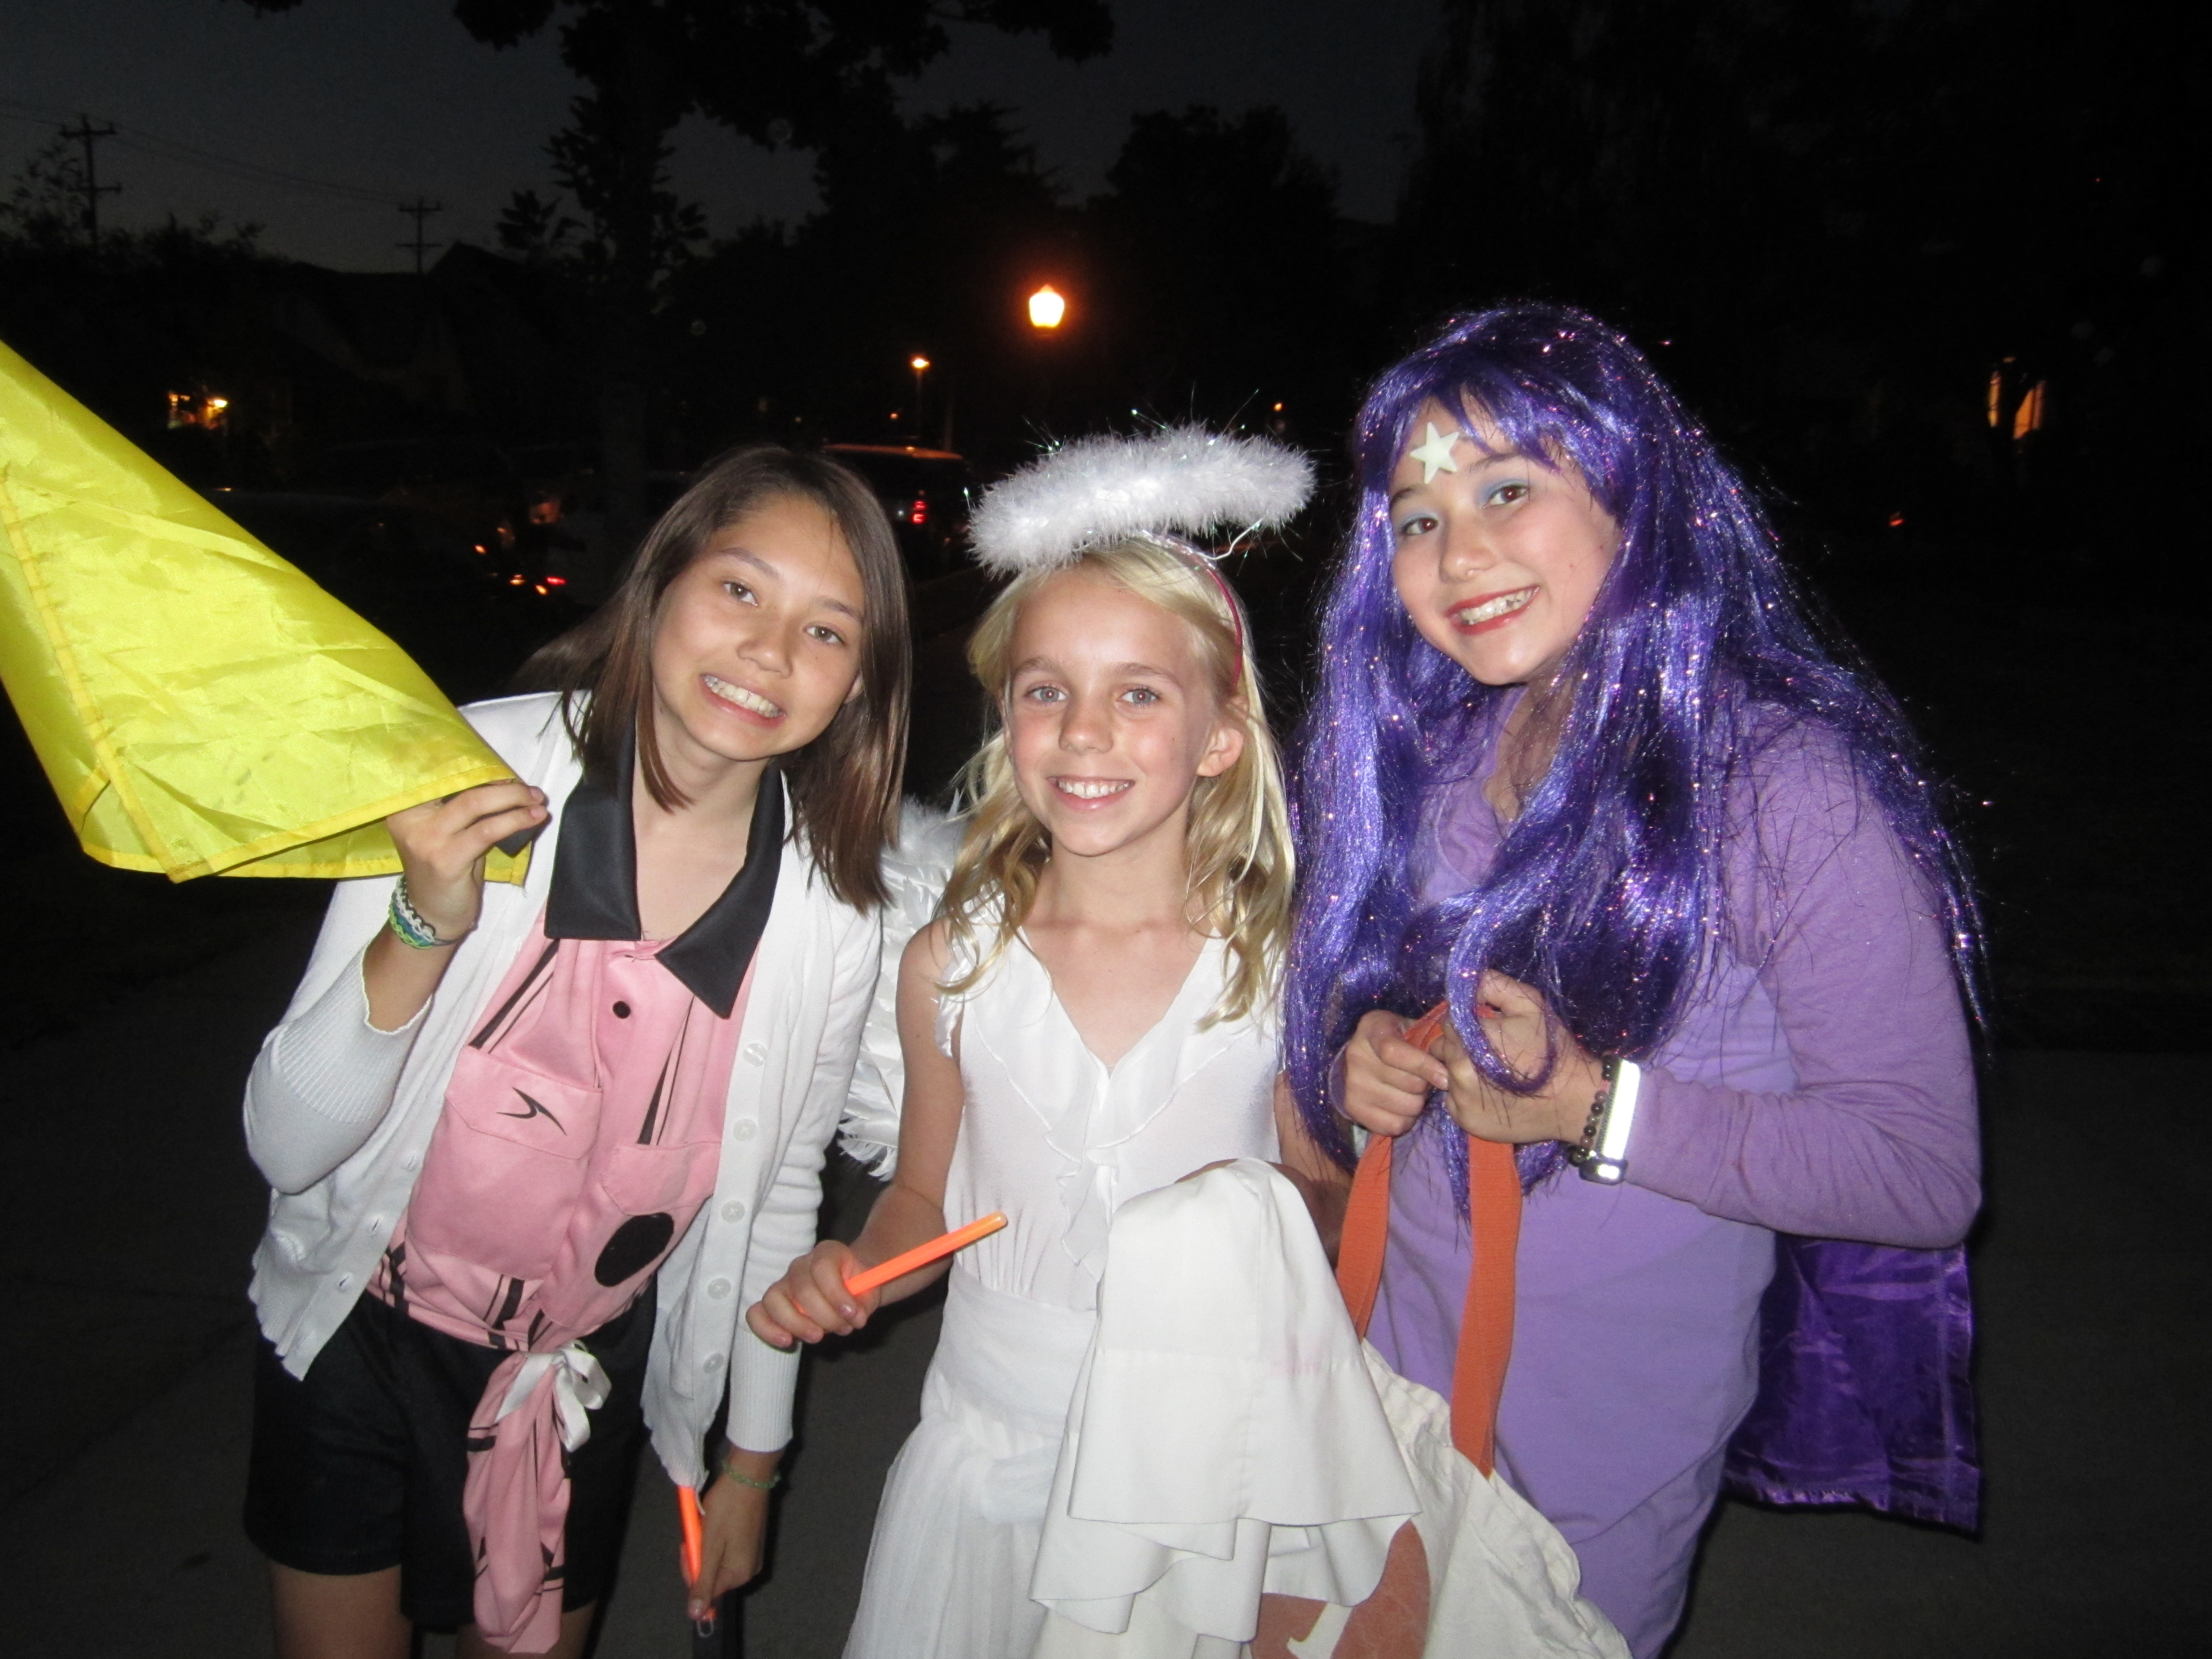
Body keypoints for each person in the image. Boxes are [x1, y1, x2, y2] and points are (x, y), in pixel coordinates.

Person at [1283, 305, 1983, 1658]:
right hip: (1384, 1395)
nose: (1457, 553)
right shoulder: (1443, 754)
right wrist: (1372, 1052)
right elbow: (1408, 1018)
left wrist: (1594, 1109)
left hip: (1596, 1468)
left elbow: (1922, 1172)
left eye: (1506, 491)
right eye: (1417, 518)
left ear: (1632, 498)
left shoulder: (1780, 789)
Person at [240, 446, 910, 1658]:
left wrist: (751, 1465)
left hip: (574, 1383)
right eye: (740, 589)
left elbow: (776, 1200)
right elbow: (287, 1147)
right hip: (357, 1340)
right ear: (659, 585)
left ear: (859, 684)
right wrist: (422, 924)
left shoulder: (829, 915)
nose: (768, 652)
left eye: (827, 632)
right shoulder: (472, 777)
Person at [748, 429, 1337, 1658]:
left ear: (1220, 735)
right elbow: (923, 1199)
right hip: (989, 1454)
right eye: (1045, 689)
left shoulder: (1282, 971)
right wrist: (858, 1270)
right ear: (1007, 713)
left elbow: (1320, 1220)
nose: (1084, 731)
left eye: (1140, 693)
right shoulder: (950, 965)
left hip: (1197, 1470)